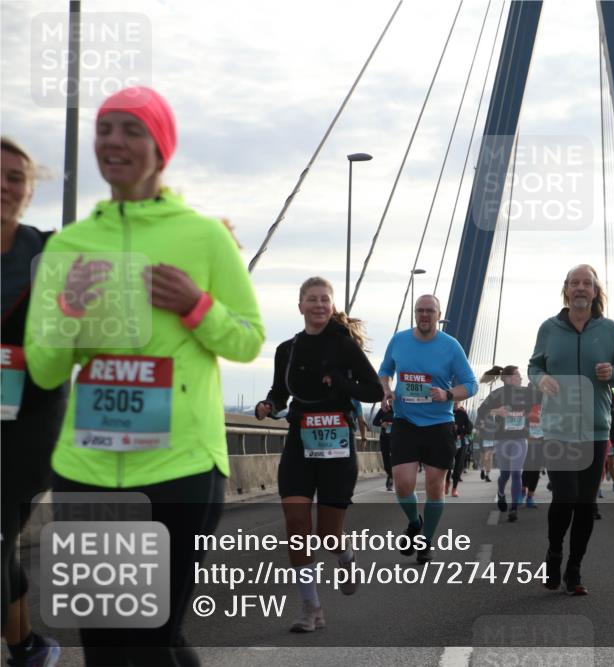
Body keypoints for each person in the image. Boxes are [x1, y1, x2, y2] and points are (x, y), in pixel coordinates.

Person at [25, 87, 264, 665]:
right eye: (105, 129)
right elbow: (45, 365)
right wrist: (67, 313)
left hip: (179, 465)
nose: (113, 141)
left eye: (132, 129)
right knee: (105, 640)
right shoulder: (71, 245)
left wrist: (197, 305)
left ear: (161, 146)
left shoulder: (203, 236)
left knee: (152, 632)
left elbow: (249, 338)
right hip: (87, 466)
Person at [255, 276, 382, 632]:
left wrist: (339, 383)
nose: (319, 305)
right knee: (296, 525)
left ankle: (345, 557)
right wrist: (269, 404)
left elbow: (373, 390)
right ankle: (311, 608)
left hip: (336, 446)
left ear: (331, 305)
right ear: (300, 306)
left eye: (324, 300)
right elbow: (281, 392)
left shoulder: (343, 346)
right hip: (299, 441)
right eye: (312, 299)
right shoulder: (287, 349)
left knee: (328, 535)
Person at [528, 264, 614, 595]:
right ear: (566, 289)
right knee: (565, 496)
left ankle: (575, 568)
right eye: (574, 283)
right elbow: (534, 365)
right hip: (558, 428)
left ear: (595, 291)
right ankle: (554, 551)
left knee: (586, 503)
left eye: (586, 284)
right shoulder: (549, 328)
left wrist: (613, 375)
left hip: (595, 429)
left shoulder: (611, 331)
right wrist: (540, 378)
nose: (580, 288)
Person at [1, 136, 65, 667]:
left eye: (15, 177)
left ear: (30, 190)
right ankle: (27, 647)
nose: (3, 185)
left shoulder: (51, 254)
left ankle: (26, 647)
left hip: (28, 427)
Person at [378, 294, 478, 564]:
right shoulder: (399, 340)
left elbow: (471, 384)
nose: (424, 315)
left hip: (438, 425)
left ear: (439, 315)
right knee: (402, 483)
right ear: (415, 313)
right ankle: (414, 521)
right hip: (405, 422)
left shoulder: (451, 346)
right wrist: (386, 389)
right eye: (420, 310)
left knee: (435, 487)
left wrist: (447, 394)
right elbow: (384, 370)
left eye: (429, 311)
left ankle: (426, 541)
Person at [477, 365, 539, 522]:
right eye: (518, 375)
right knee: (505, 474)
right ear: (509, 378)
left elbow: (545, 397)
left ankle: (513, 508)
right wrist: (497, 411)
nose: (521, 378)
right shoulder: (497, 394)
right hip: (502, 439)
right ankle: (501, 493)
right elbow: (481, 410)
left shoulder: (527, 392)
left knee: (517, 472)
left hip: (520, 438)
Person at [446, 401, 472, 497]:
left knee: (458, 466)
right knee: (447, 465)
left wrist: (460, 430)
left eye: (457, 402)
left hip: (460, 443)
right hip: (448, 442)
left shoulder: (462, 413)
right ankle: (447, 482)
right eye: (453, 402)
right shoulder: (445, 411)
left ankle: (454, 488)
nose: (455, 403)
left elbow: (469, 429)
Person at [521, 401, 543, 508]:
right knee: (527, 467)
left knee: (536, 470)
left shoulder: (547, 405)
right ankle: (522, 491)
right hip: (527, 441)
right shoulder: (527, 405)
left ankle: (530, 497)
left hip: (541, 442)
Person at [371, 405, 395, 491]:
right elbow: (374, 422)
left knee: (394, 458)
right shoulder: (384, 409)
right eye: (389, 399)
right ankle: (390, 475)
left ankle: (391, 479)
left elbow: (407, 422)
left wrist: (394, 424)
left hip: (396, 438)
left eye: (392, 398)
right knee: (386, 459)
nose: (391, 401)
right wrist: (382, 424)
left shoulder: (400, 409)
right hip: (384, 438)